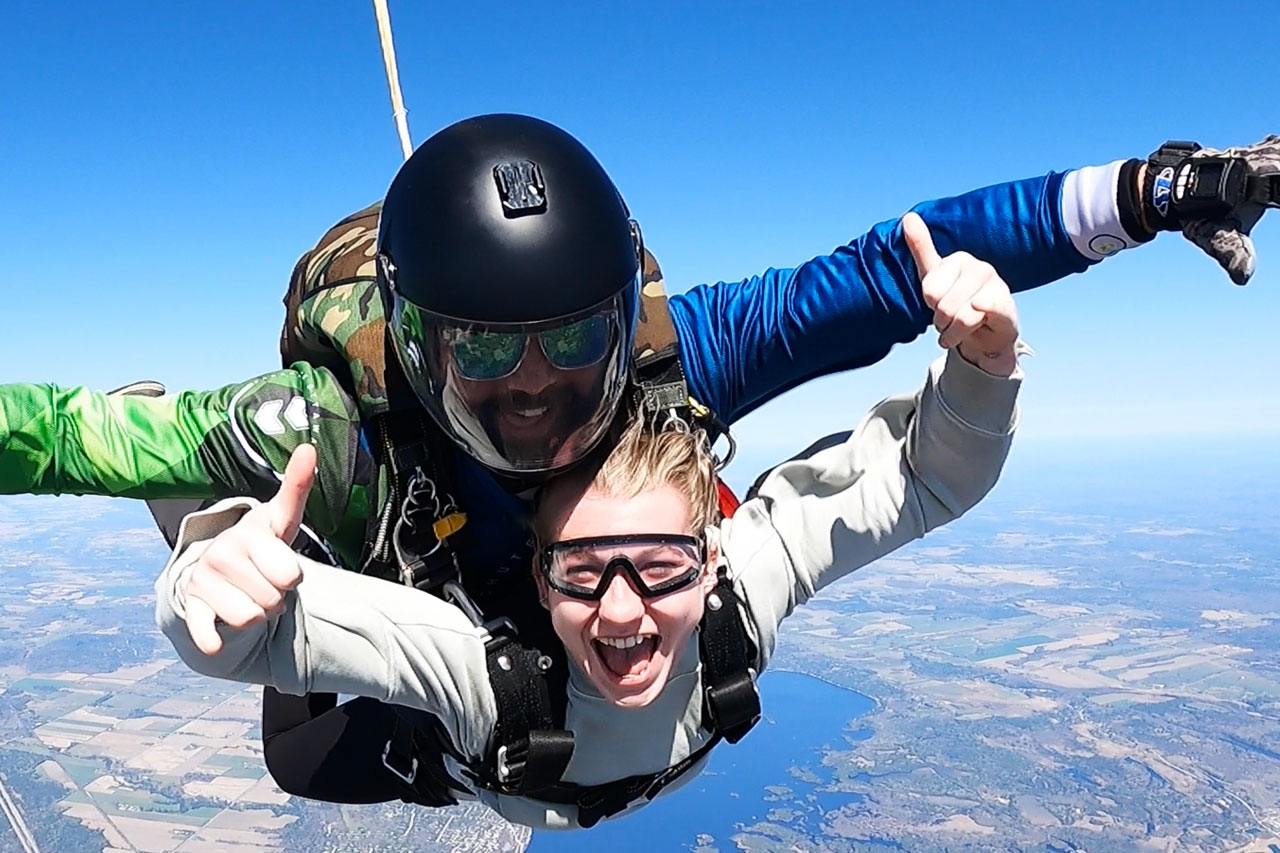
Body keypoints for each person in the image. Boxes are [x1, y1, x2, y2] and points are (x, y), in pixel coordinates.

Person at [3, 117, 1276, 801]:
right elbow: (60, 432)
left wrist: (1151, 193)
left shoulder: (679, 357)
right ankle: (216, 522)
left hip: (565, 641)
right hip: (409, 620)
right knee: (287, 708)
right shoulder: (334, 430)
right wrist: (210, 575)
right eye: (484, 354)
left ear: (622, 318)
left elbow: (900, 264)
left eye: (572, 335)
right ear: (419, 342)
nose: (540, 384)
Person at [156, 217, 1026, 830]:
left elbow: (919, 478)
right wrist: (215, 576)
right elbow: (258, 638)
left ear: (711, 555)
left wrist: (988, 361)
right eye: (582, 567)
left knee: (301, 753)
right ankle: (294, 535)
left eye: (659, 565)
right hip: (469, 752)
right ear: (538, 575)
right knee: (296, 756)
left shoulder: (740, 588)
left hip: (507, 768)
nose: (621, 609)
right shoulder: (472, 676)